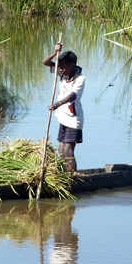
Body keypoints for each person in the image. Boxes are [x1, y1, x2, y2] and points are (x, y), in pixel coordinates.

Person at [43, 43, 85, 171]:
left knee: (68, 152)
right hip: (62, 117)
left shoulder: (80, 79)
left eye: (63, 67)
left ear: (72, 65)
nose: (60, 70)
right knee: (61, 150)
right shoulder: (63, 73)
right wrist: (55, 53)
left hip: (73, 119)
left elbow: (73, 95)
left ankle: (72, 178)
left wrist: (57, 104)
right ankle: (63, 176)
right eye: (59, 67)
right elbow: (45, 62)